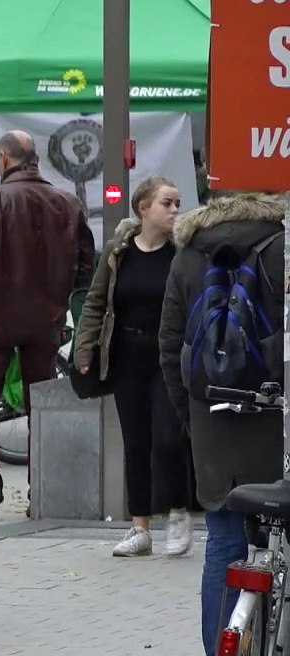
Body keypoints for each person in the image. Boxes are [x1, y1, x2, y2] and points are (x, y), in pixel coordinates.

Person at [157, 191, 284, 656]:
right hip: (277, 427)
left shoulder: (189, 253)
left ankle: (218, 647)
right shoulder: (282, 245)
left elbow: (170, 346)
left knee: (224, 544)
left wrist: (191, 417)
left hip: (213, 422)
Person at [0, 130, 94, 522]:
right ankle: (42, 489)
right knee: (42, 404)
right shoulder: (66, 201)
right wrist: (61, 299)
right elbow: (86, 263)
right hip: (45, 321)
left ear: (4, 158)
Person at [75, 177, 191, 558]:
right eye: (167, 203)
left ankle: (177, 512)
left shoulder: (181, 253)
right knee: (135, 441)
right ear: (144, 208)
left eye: (177, 204)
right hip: (126, 355)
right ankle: (139, 526)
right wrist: (85, 348)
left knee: (168, 437)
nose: (175, 210)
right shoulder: (118, 252)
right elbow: (95, 303)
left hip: (167, 356)